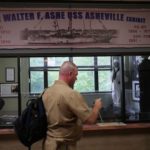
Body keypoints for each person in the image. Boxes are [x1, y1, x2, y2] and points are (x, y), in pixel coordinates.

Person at [42, 61, 103, 150]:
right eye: (76, 75)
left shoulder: (45, 92)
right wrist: (97, 107)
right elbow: (90, 120)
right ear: (70, 74)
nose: (76, 78)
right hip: (63, 146)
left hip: (48, 144)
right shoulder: (71, 94)